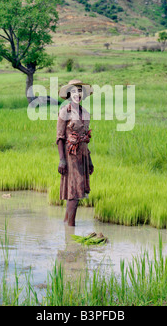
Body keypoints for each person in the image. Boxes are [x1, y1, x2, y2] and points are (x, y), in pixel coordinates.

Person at [56, 79, 94, 227]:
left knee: (77, 192)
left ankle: (67, 224)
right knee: (74, 193)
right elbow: (60, 137)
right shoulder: (65, 111)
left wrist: (89, 160)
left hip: (83, 155)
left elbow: (85, 138)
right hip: (70, 156)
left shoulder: (85, 113)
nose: (77, 94)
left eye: (79, 91)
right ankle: (71, 229)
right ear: (68, 95)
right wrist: (62, 160)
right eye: (73, 91)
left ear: (83, 94)